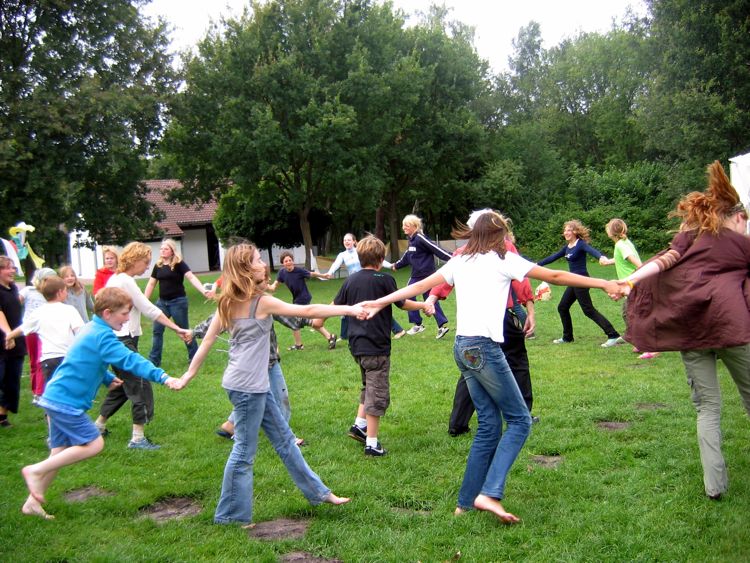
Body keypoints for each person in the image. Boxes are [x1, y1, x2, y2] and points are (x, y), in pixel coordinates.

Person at [362, 210, 622, 523]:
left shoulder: (460, 260)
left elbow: (418, 287)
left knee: (488, 424)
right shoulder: (503, 259)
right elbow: (554, 276)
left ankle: (465, 503)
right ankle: (489, 493)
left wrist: (380, 302)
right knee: (520, 421)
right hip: (483, 349)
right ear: (498, 234)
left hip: (462, 348)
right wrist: (603, 282)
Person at [176, 242, 355, 525]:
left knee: (285, 441)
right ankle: (230, 517)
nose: (262, 263)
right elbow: (308, 311)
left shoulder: (233, 301)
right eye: (257, 259)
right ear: (246, 269)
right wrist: (351, 309)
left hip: (249, 384)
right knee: (243, 452)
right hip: (247, 387)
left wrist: (189, 375)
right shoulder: (258, 303)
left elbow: (208, 341)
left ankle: (320, 493)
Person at [620, 161, 750, 500]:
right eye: (745, 222)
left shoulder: (688, 237)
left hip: (691, 331)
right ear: (737, 216)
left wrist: (630, 281)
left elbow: (665, 259)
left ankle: (714, 487)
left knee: (707, 408)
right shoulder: (743, 246)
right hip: (733, 329)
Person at [20, 287, 182, 520]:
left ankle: (32, 503)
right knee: (95, 444)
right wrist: (163, 377)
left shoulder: (91, 328)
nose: (127, 318)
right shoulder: (102, 335)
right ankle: (35, 470)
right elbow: (130, 359)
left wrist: (106, 377)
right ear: (108, 313)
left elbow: (83, 358)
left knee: (58, 453)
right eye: (124, 314)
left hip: (55, 397)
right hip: (65, 402)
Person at [425, 211, 539, 436]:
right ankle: (523, 412)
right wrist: (530, 310)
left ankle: (458, 423)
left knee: (472, 369)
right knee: (517, 362)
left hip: (471, 328)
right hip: (500, 318)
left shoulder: (462, 253)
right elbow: (522, 281)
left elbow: (442, 280)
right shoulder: (504, 249)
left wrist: (432, 298)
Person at [333, 235, 428, 456]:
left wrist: (318, 319)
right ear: (381, 258)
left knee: (368, 385)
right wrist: (423, 305)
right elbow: (403, 303)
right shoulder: (385, 280)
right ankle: (372, 443)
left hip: (357, 346)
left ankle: (359, 425)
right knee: (377, 392)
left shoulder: (350, 281)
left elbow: (335, 306)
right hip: (376, 346)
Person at [94, 242, 192, 450]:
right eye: (145, 262)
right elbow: (149, 309)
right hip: (122, 340)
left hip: (116, 339)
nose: (148, 267)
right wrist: (177, 328)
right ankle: (137, 439)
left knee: (123, 386)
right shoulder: (125, 280)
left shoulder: (116, 278)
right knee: (140, 384)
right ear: (135, 260)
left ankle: (98, 426)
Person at [537, 220, 622, 347]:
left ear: (575, 232)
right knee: (562, 307)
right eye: (565, 230)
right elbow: (553, 257)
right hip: (572, 281)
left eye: (569, 230)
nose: (566, 232)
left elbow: (592, 250)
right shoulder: (567, 247)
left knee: (588, 310)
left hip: (582, 280)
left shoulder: (580, 244)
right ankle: (567, 337)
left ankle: (613, 335)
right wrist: (536, 265)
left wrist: (601, 257)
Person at [5, 275, 84, 392]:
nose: (66, 293)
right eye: (65, 290)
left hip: (48, 360)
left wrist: (9, 337)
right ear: (60, 292)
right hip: (68, 356)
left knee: (53, 391)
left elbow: (23, 328)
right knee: (71, 390)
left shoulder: (38, 312)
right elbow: (80, 332)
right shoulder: (69, 310)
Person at [322, 233, 406, 340]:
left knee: (374, 308)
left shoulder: (361, 251)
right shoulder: (342, 255)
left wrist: (391, 266)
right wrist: (330, 273)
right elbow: (335, 264)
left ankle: (398, 330)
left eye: (349, 240)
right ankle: (344, 335)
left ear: (354, 241)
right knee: (348, 306)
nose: (346, 242)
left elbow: (377, 259)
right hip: (354, 283)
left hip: (367, 282)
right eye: (344, 240)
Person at [144, 239, 207, 366]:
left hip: (178, 303)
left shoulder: (179, 264)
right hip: (162, 303)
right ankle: (154, 360)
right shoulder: (158, 265)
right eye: (161, 249)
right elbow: (151, 284)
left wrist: (203, 291)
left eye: (166, 249)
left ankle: (194, 357)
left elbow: (191, 277)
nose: (162, 251)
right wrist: (144, 300)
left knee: (184, 330)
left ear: (172, 251)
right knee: (157, 331)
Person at [602, 219, 658, 360]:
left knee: (633, 314)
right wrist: (609, 261)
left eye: (608, 228)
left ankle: (649, 346)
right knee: (630, 313)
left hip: (634, 284)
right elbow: (622, 258)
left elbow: (635, 261)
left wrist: (641, 273)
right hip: (632, 284)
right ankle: (640, 343)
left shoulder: (621, 244)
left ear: (611, 232)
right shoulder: (624, 243)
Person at [391, 214, 452, 339]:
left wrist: (453, 257)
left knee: (429, 299)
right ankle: (418, 325)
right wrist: (396, 265)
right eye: (403, 225)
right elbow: (407, 257)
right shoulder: (411, 240)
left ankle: (441, 327)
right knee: (409, 296)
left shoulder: (420, 238)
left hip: (428, 276)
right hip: (416, 276)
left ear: (414, 226)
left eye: (406, 225)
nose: (403, 228)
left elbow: (435, 249)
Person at [268, 251, 337, 350]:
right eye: (286, 261)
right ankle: (328, 337)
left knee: (298, 321)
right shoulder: (282, 273)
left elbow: (312, 274)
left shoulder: (299, 271)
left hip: (303, 298)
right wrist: (266, 285)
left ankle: (301, 344)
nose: (288, 262)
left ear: (293, 261)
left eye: (290, 260)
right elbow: (274, 287)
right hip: (296, 299)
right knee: (305, 321)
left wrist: (323, 276)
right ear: (283, 263)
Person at [19, 267, 57, 404]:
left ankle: (40, 392)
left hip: (44, 330)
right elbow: (16, 302)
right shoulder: (29, 291)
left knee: (41, 360)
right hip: (30, 331)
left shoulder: (50, 294)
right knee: (34, 361)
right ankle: (36, 391)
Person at [0, 255, 26, 427]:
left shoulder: (13, 288)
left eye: (13, 268)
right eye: (8, 268)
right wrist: (8, 334)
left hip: (16, 342)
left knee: (11, 381)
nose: (12, 271)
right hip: (3, 340)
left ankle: (2, 416)